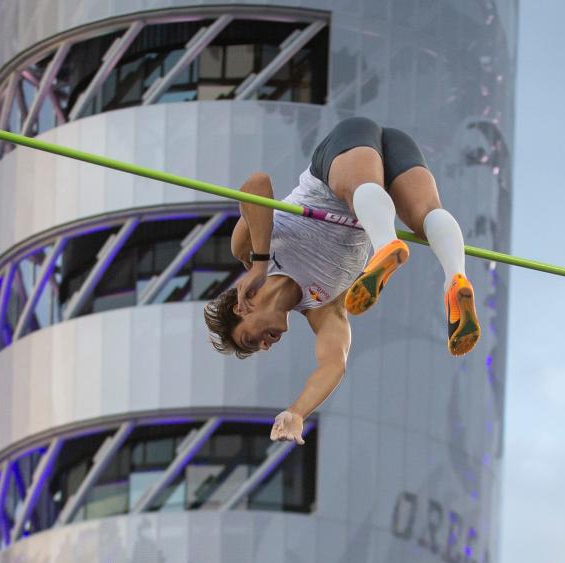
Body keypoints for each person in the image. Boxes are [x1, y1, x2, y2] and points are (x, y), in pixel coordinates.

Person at [203, 117, 480, 444]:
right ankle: (454, 277)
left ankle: (387, 245)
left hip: (342, 156)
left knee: (356, 186)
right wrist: (296, 413)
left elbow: (257, 185)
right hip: (386, 174)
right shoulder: (323, 307)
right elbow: (333, 364)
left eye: (251, 340)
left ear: (241, 308)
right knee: (426, 216)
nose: (266, 345)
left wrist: (261, 264)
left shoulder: (247, 251)